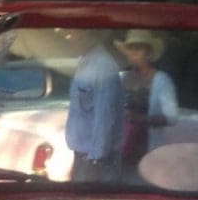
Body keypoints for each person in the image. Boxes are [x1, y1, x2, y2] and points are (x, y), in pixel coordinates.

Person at [64, 32, 125, 181]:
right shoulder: (85, 62)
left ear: (91, 36)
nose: (70, 39)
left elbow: (105, 116)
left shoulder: (103, 66)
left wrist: (96, 161)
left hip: (98, 161)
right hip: (82, 157)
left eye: (76, 35)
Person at [119, 30, 180, 165]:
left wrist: (138, 119)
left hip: (147, 150)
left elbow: (172, 117)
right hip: (120, 149)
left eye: (139, 49)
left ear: (149, 53)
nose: (134, 53)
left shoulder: (161, 80)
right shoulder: (120, 78)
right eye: (130, 49)